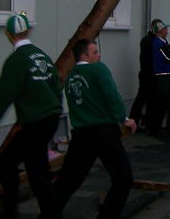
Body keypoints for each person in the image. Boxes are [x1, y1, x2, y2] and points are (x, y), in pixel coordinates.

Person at [0, 13, 62, 219]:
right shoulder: (42, 55)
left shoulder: (16, 61)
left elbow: (2, 100)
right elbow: (57, 86)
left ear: (8, 34)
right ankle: (32, 212)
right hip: (50, 118)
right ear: (29, 31)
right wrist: (54, 110)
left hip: (35, 122)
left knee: (14, 167)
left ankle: (13, 212)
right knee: (35, 169)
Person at [53, 39, 136, 219]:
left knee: (69, 180)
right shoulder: (98, 69)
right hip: (103, 131)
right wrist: (124, 119)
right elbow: (111, 95)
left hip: (81, 133)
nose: (99, 55)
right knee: (123, 178)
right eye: (95, 52)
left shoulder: (71, 76)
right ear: (85, 56)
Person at [129, 20, 161, 133]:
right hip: (147, 75)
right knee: (142, 99)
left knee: (149, 100)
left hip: (151, 74)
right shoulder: (148, 41)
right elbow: (149, 59)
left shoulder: (153, 40)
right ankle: (134, 122)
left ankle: (147, 123)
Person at [151, 20, 170, 135]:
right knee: (161, 103)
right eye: (165, 29)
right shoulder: (157, 44)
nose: (167, 31)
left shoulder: (163, 42)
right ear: (160, 31)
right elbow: (168, 57)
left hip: (169, 75)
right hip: (162, 76)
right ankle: (156, 128)